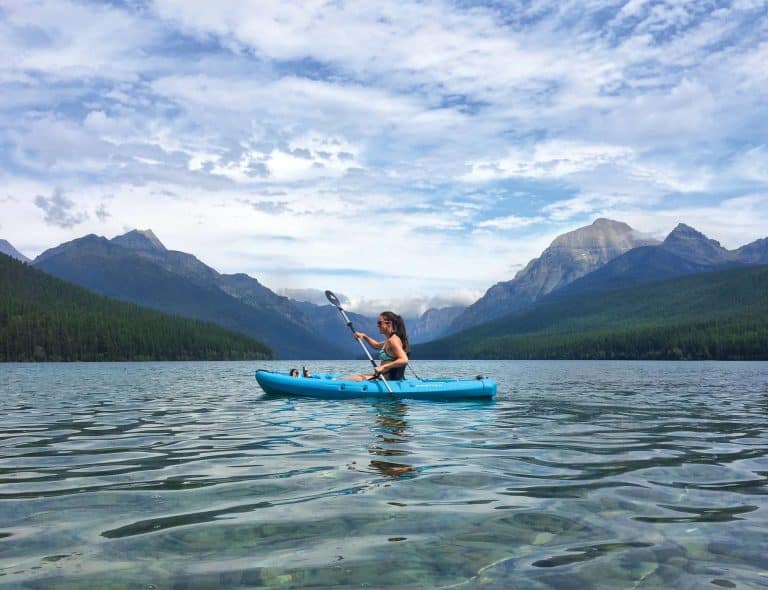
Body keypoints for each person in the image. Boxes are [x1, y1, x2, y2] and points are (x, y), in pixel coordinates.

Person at [341, 311, 410, 381]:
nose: (378, 325)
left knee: (349, 379)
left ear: (389, 323)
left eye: (380, 323)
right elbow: (376, 345)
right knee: (355, 376)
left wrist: (384, 367)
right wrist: (364, 336)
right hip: (382, 376)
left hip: (386, 379)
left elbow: (404, 360)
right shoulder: (389, 340)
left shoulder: (393, 340)